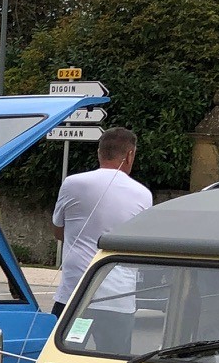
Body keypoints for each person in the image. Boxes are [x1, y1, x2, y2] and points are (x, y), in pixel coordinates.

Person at [51, 126, 151, 347]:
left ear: (99, 152)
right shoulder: (143, 194)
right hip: (118, 299)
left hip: (75, 295)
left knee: (63, 361)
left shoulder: (72, 183)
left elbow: (58, 231)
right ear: (130, 155)